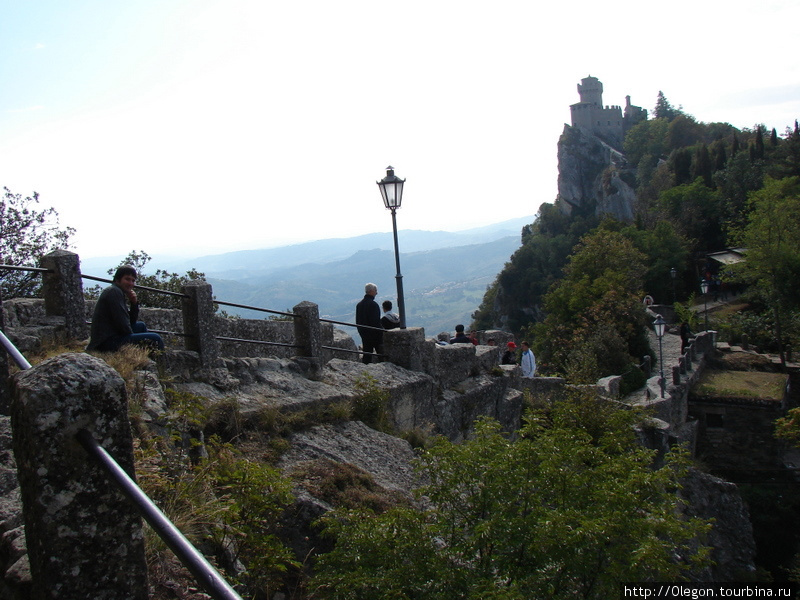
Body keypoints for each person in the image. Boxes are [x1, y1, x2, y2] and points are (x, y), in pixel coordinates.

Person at [87, 265, 165, 353]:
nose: (131, 283)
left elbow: (130, 321)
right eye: (127, 279)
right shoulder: (114, 292)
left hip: (111, 336)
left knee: (141, 326)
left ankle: (146, 357)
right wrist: (132, 338)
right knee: (156, 338)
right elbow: (123, 325)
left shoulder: (117, 291)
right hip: (105, 343)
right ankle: (160, 364)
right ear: (117, 279)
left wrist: (134, 303)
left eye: (133, 280)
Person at [356, 283, 383, 364]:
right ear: (371, 291)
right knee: (381, 354)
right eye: (375, 291)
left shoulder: (359, 305)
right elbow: (376, 322)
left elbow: (358, 321)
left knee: (367, 354)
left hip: (364, 333)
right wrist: (382, 332)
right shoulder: (373, 305)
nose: (376, 293)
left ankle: (366, 371)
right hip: (374, 334)